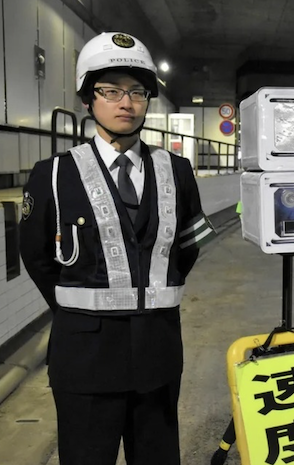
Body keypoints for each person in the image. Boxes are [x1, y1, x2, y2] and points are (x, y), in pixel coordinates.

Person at [19, 32, 206, 465]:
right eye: (112, 90)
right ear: (89, 99)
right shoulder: (52, 175)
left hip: (158, 356)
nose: (127, 103)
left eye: (138, 92)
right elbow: (38, 258)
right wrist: (81, 307)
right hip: (84, 361)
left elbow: (190, 246)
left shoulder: (176, 170)